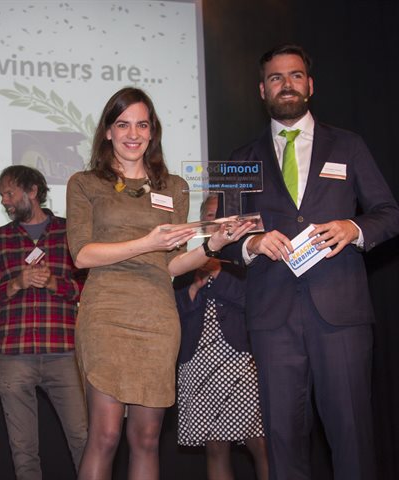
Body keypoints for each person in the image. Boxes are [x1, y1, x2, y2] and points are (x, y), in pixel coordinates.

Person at [227, 44, 399, 480]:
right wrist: (251, 243)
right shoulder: (239, 160)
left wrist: (353, 229)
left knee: (352, 434)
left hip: (340, 314)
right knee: (282, 441)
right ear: (261, 89)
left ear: (311, 84)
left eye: (296, 75)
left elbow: (389, 213)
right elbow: (219, 238)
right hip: (272, 317)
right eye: (276, 78)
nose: (287, 84)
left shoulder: (349, 145)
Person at [65, 87, 253, 480]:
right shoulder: (84, 183)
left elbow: (173, 266)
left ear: (153, 132)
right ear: (108, 132)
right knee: (105, 435)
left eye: (142, 124)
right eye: (123, 124)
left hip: (157, 317)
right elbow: (81, 255)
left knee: (148, 438)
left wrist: (214, 243)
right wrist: (147, 242)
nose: (132, 133)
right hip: (106, 314)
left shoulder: (175, 187)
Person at [0, 165, 88, 480]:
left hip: (64, 352)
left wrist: (54, 283)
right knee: (23, 448)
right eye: (2, 195)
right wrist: (16, 283)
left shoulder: (70, 234)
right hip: (14, 355)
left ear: (32, 191)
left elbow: (91, 290)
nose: (5, 201)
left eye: (9, 193)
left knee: (83, 438)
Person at [173, 194, 268, 480]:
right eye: (212, 218)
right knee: (215, 445)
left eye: (224, 217)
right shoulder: (187, 261)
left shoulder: (250, 258)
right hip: (198, 361)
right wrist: (192, 291)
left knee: (260, 442)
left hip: (241, 359)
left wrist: (216, 276)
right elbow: (176, 309)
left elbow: (256, 304)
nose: (219, 224)